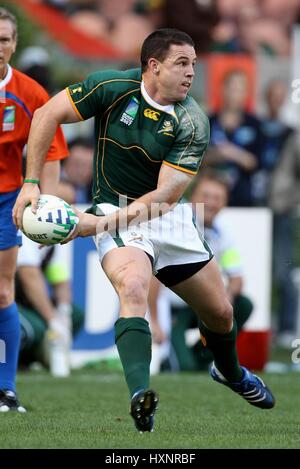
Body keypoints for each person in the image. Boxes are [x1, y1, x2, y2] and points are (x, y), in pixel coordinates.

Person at [13, 28, 275, 432]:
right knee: (133, 287)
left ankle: (231, 373)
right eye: (181, 63)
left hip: (165, 216)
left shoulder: (192, 121)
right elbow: (48, 114)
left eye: (193, 64)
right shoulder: (112, 87)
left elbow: (164, 198)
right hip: (112, 208)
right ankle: (140, 393)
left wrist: (92, 227)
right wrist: (31, 183)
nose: (191, 73)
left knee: (220, 313)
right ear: (154, 66)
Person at [0, 7, 68, 411]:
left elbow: (53, 154)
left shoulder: (31, 95)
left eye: (4, 39)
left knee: (3, 291)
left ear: (14, 44)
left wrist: (48, 209)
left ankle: (5, 389)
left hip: (7, 199)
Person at [16, 236, 84, 373]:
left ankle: (36, 358)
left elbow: (60, 281)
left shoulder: (51, 243)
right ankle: (17, 360)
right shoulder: (24, 237)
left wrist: (63, 314)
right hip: (8, 302)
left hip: (23, 304)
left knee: (74, 315)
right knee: (33, 329)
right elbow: (29, 277)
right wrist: (52, 320)